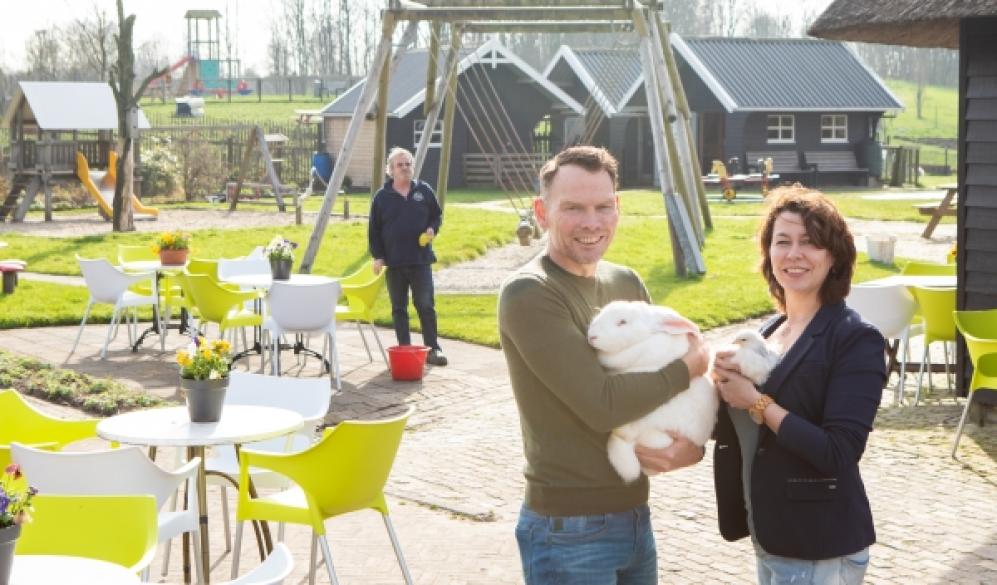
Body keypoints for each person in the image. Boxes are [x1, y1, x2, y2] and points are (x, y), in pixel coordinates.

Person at [498, 146, 711, 584]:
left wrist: (693, 444)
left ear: (618, 209)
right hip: (567, 530)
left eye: (603, 207)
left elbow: (669, 394)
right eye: (573, 208)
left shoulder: (625, 281)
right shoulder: (529, 293)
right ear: (542, 212)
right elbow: (603, 405)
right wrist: (691, 365)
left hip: (634, 514)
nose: (591, 222)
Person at [710, 185, 886, 584]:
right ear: (768, 254)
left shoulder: (856, 339)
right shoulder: (769, 331)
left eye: (810, 242)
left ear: (835, 256)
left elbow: (838, 451)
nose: (794, 254)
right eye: (782, 241)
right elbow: (743, 433)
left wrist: (756, 402)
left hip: (819, 543)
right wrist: (720, 387)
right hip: (770, 532)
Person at [369, 147, 447, 366]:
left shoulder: (424, 191)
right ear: (390, 170)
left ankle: (433, 349)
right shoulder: (382, 198)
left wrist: (432, 228)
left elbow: (436, 215)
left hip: (420, 260)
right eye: (399, 165)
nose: (404, 168)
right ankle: (405, 350)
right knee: (399, 308)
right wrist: (378, 256)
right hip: (394, 262)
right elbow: (374, 230)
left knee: (425, 305)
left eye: (407, 164)